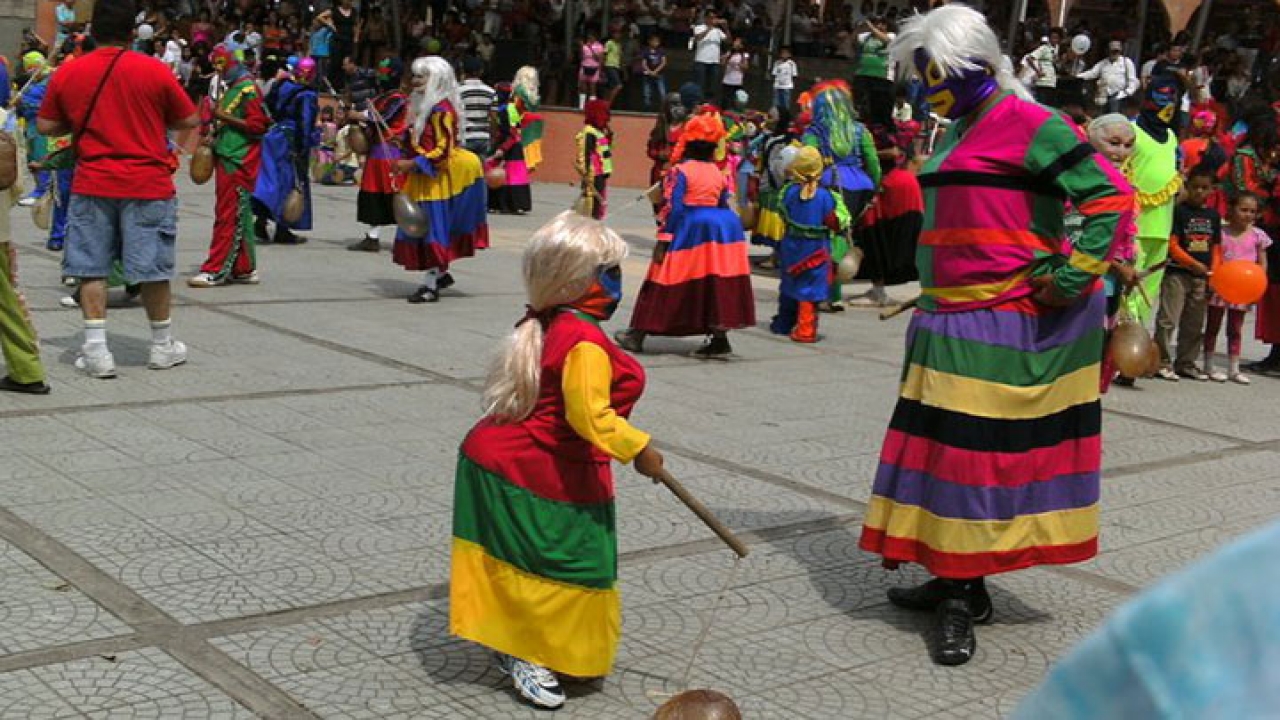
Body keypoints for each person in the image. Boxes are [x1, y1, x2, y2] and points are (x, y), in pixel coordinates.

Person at [858, 4, 1133, 667]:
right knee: (946, 455)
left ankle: (960, 595)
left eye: (933, 74)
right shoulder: (958, 129)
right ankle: (957, 577)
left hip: (1004, 321)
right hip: (946, 319)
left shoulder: (1030, 122)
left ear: (973, 67)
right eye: (920, 76)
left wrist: (1069, 279)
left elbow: (1109, 198)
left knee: (973, 461)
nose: (924, 88)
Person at [450, 211, 665, 711]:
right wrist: (641, 450)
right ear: (573, 279)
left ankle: (554, 645)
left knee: (575, 559)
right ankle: (522, 650)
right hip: (522, 468)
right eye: (606, 273)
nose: (617, 286)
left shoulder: (560, 322)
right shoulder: (581, 339)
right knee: (539, 561)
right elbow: (591, 416)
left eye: (616, 273)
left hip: (551, 465)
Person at [37, 0, 197, 379]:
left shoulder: (70, 71)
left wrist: (79, 125)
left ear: (93, 31)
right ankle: (161, 346)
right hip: (147, 182)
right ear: (132, 33)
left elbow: (45, 126)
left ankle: (95, 351)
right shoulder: (154, 70)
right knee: (154, 267)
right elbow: (189, 117)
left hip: (93, 180)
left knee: (90, 266)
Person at [614, 111, 756, 359]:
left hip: (691, 226)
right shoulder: (717, 172)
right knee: (713, 282)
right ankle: (718, 338)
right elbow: (723, 201)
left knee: (664, 276)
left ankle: (638, 334)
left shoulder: (680, 171)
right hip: (721, 230)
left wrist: (664, 240)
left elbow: (675, 208)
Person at [393, 56, 489, 304]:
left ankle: (429, 286)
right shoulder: (424, 107)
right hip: (425, 175)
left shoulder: (441, 110)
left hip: (439, 176)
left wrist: (413, 163)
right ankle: (439, 275)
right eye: (414, 76)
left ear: (436, 79)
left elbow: (443, 149)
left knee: (432, 229)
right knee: (425, 227)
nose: (415, 81)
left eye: (421, 77)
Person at [188, 45, 271, 289]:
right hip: (228, 154)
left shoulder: (248, 90)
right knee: (239, 213)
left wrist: (223, 117)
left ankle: (216, 268)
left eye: (221, 65)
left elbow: (259, 126)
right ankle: (244, 267)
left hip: (239, 159)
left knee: (228, 214)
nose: (218, 71)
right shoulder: (234, 88)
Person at [801, 80, 880, 308]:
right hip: (859, 187)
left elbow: (808, 159)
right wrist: (875, 187)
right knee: (844, 232)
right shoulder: (860, 129)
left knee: (827, 237)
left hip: (829, 184)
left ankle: (825, 292)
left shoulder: (815, 131)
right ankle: (834, 292)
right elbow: (872, 161)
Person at [1082, 114, 1139, 391]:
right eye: (1113, 143)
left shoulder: (1124, 183)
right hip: (1084, 279)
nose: (1121, 152)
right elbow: (1077, 234)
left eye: (1128, 145)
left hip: (1111, 285)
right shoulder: (1082, 180)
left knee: (1103, 343)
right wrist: (1118, 265)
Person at [769, 146, 849, 343]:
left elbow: (781, 213)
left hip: (791, 247)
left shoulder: (787, 192)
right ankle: (805, 329)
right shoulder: (827, 197)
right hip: (816, 250)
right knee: (810, 289)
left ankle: (783, 323)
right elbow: (837, 222)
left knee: (789, 284)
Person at [1123, 75, 1184, 329]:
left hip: (1161, 226)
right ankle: (1120, 343)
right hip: (1134, 225)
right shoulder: (1131, 131)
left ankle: (1135, 344)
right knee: (1128, 289)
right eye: (1160, 96)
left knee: (1150, 290)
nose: (1165, 103)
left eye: (1171, 97)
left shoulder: (1171, 137)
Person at [0, 107, 49, 395]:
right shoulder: (5, 117)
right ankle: (25, 367)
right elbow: (16, 185)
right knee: (5, 301)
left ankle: (28, 371)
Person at [1153, 168, 1219, 381]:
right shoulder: (1179, 212)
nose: (1200, 191)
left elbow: (1216, 247)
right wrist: (1191, 263)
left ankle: (1186, 362)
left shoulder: (1213, 215)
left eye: (1205, 188)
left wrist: (1214, 272)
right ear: (1187, 187)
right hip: (1178, 273)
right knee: (1168, 319)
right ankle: (1161, 361)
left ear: (1212, 190)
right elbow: (1173, 244)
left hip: (1202, 277)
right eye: (1195, 187)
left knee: (1194, 322)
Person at [252, 56, 319, 247]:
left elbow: (268, 107)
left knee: (270, 180)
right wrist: (303, 148)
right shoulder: (307, 95)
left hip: (274, 137)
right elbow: (305, 123)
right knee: (290, 182)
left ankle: (261, 221)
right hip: (291, 141)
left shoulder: (281, 86)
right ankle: (283, 228)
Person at [1206, 193, 1271, 384]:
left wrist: (1258, 286)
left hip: (1243, 290)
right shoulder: (1221, 232)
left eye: (1252, 211)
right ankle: (1208, 364)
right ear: (1232, 209)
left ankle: (1234, 368)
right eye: (1243, 210)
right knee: (1213, 326)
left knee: (1235, 328)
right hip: (1221, 287)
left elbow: (1262, 263)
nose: (1248, 215)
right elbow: (1215, 257)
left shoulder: (1258, 236)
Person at [347, 57, 408, 253]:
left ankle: (406, 237)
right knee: (376, 197)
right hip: (377, 152)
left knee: (395, 196)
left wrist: (359, 116)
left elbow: (382, 118)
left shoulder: (398, 99)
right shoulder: (381, 98)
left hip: (391, 152)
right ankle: (372, 237)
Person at [749, 106, 797, 265]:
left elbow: (779, 167)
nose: (767, 120)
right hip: (766, 182)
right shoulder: (769, 137)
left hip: (775, 185)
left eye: (771, 117)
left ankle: (777, 256)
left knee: (776, 220)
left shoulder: (783, 142)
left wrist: (774, 183)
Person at [487, 82, 531, 215]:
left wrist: (502, 148)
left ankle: (504, 205)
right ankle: (511, 205)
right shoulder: (509, 108)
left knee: (507, 176)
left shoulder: (505, 110)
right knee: (510, 176)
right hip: (510, 144)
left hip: (509, 145)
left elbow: (511, 133)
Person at [852, 15, 896, 128]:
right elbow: (854, 41)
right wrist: (858, 28)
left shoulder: (891, 35)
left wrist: (871, 27)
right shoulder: (866, 36)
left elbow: (886, 40)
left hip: (882, 76)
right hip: (863, 74)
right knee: (862, 103)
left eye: (882, 24)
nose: (879, 26)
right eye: (877, 23)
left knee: (880, 105)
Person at [575, 99, 613, 221]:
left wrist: (610, 137)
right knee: (592, 206)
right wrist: (585, 176)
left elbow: (605, 152)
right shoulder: (589, 132)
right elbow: (584, 154)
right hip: (593, 175)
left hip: (601, 173)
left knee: (599, 204)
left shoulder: (600, 132)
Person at [1078, 40, 1139, 115]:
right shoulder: (1103, 63)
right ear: (1108, 51)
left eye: (1117, 51)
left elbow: (1132, 80)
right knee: (1102, 117)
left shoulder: (1127, 62)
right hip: (1104, 96)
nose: (1115, 53)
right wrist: (1077, 77)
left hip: (1119, 96)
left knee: (1115, 119)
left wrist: (1125, 93)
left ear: (1120, 51)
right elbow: (1092, 73)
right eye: (1113, 51)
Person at [459, 58, 496, 157]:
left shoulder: (458, 91)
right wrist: (493, 138)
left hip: (464, 137)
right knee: (481, 170)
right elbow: (493, 117)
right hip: (483, 137)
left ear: (463, 71)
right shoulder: (491, 92)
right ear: (481, 71)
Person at [513, 66, 544, 171]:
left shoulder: (519, 90)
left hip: (523, 122)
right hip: (535, 125)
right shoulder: (533, 93)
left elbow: (517, 108)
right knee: (529, 156)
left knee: (520, 154)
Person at [690, 10, 727, 97]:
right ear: (705, 18)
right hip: (701, 61)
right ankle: (698, 103)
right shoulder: (699, 27)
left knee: (712, 86)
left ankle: (709, 104)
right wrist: (709, 28)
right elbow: (697, 38)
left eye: (714, 18)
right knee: (699, 84)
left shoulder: (718, 30)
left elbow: (728, 40)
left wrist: (726, 28)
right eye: (710, 17)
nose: (713, 19)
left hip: (714, 62)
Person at [1028, 30, 1061, 107]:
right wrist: (1038, 71)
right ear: (1049, 38)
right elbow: (1030, 59)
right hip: (1043, 81)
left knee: (1049, 107)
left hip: (1051, 82)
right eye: (1053, 38)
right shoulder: (1043, 48)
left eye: (1056, 38)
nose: (1054, 40)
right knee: (1041, 106)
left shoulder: (1055, 49)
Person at [720, 37, 750, 109]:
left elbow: (746, 67)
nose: (735, 43)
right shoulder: (729, 53)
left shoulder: (744, 55)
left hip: (737, 82)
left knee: (736, 101)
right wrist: (724, 58)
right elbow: (722, 64)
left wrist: (737, 64)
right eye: (735, 41)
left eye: (738, 42)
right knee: (725, 101)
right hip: (727, 81)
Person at [578, 31, 605, 109]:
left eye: (591, 37)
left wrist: (600, 71)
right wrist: (581, 48)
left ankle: (592, 108)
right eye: (588, 37)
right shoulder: (584, 46)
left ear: (595, 37)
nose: (590, 38)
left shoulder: (599, 46)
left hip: (594, 68)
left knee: (592, 88)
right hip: (584, 67)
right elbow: (580, 57)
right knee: (583, 88)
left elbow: (600, 59)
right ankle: (581, 107)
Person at [640, 35, 668, 110]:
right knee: (647, 92)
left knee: (662, 92)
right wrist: (650, 72)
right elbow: (643, 63)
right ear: (649, 42)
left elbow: (664, 62)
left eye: (657, 42)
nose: (655, 43)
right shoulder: (646, 51)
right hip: (648, 74)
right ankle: (647, 108)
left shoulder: (661, 50)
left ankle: (664, 108)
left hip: (659, 74)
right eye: (654, 41)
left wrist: (655, 71)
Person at [771, 46, 797, 111]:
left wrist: (790, 84)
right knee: (775, 103)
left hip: (787, 87)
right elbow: (774, 74)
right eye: (782, 53)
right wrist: (775, 83)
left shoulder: (792, 63)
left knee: (786, 103)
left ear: (789, 54)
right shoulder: (777, 63)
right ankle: (775, 116)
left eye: (786, 53)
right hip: (777, 86)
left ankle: (785, 117)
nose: (784, 55)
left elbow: (794, 75)